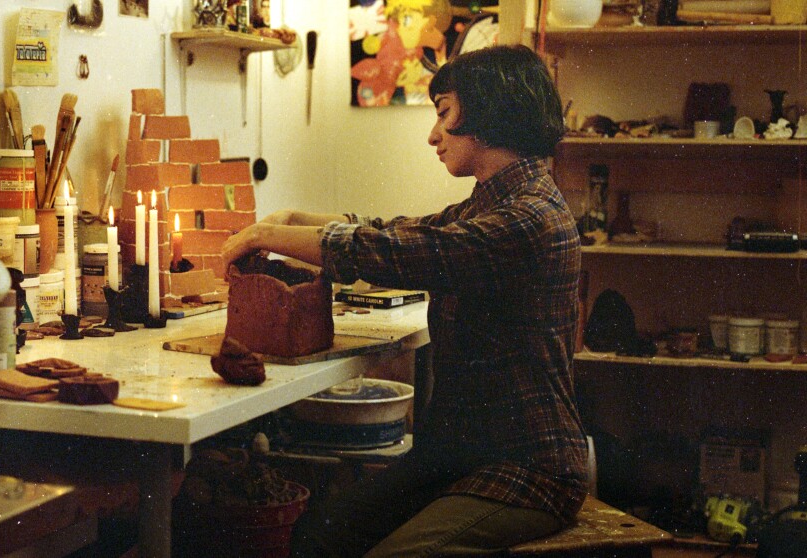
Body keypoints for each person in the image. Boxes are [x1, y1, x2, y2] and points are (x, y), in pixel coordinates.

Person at [220, 44, 588, 556]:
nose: (433, 136)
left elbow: (407, 253)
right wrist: (292, 221)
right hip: (461, 456)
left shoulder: (530, 218)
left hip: (526, 469)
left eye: (444, 114)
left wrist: (266, 235)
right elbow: (399, 231)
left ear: (490, 111)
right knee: (318, 533)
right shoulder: (497, 200)